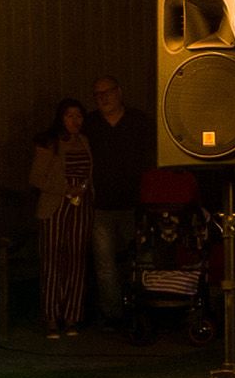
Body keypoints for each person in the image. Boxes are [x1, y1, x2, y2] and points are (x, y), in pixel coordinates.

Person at [83, 74, 150, 326]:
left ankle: (142, 307)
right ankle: (113, 315)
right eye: (98, 95)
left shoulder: (137, 121)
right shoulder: (90, 125)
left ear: (119, 92)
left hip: (134, 203)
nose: (103, 98)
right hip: (101, 205)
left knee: (141, 259)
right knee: (105, 265)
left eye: (107, 92)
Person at [29, 98, 95, 339]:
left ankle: (72, 316)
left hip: (80, 206)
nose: (75, 121)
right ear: (60, 118)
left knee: (76, 262)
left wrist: (83, 188)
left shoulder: (85, 141)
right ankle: (51, 317)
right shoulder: (50, 143)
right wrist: (65, 189)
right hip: (56, 206)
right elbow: (36, 178)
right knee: (53, 261)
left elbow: (88, 172)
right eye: (69, 116)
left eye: (79, 116)